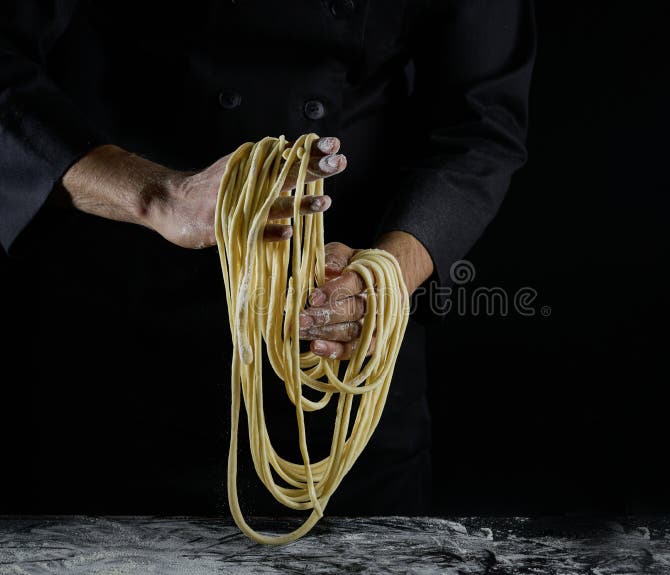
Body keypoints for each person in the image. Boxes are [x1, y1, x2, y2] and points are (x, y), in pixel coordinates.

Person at [0, 1, 535, 515]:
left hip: (341, 341)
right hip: (111, 339)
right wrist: (155, 195)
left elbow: (479, 127)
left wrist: (388, 274)